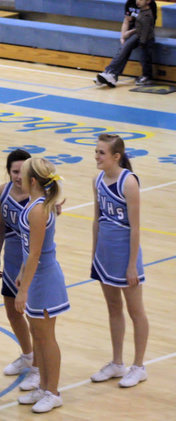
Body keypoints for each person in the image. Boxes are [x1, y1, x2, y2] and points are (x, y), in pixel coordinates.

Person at [89, 134, 149, 388]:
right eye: (96, 151)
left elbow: (135, 228)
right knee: (113, 308)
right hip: (105, 255)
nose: (97, 156)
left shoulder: (129, 182)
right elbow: (96, 220)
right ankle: (116, 363)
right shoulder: (97, 180)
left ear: (116, 156)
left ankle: (139, 366)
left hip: (126, 254)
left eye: (101, 153)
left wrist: (132, 264)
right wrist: (94, 255)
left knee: (135, 311)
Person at [15, 158, 69, 413]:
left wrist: (23, 291)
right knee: (38, 335)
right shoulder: (36, 205)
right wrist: (22, 273)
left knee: (47, 338)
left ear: (33, 181)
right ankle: (44, 387)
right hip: (36, 276)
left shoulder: (38, 209)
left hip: (45, 280)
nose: (19, 179)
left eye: (23, 175)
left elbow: (35, 253)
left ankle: (53, 391)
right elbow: (29, 251)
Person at [0, 149, 39, 391]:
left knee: (33, 317)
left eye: (23, 172)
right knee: (12, 312)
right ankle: (28, 354)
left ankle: (38, 368)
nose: (18, 176)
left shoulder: (38, 198)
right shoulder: (2, 191)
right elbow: (1, 225)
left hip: (30, 259)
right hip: (10, 256)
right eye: (14, 172)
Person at [95, 0, 156, 87]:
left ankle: (146, 76)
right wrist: (126, 33)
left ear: (148, 0)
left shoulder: (147, 13)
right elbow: (133, 23)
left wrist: (142, 41)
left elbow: (146, 28)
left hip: (144, 38)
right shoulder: (139, 9)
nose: (138, 1)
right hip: (138, 35)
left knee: (145, 58)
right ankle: (110, 73)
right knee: (125, 48)